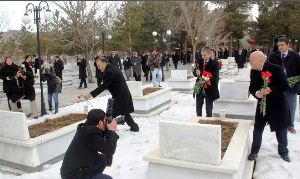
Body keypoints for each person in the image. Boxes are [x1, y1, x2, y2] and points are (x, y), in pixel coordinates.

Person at [248, 51, 290, 162]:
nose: (250, 62)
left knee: (281, 130)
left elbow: (284, 85)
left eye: (252, 60)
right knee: (257, 129)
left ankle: (284, 152)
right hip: (262, 105)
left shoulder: (276, 69)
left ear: (261, 61)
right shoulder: (253, 71)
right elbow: (252, 87)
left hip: (278, 105)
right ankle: (254, 151)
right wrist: (257, 93)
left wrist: (270, 90)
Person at [79, 56, 139, 132]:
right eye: (97, 66)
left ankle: (106, 131)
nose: (98, 68)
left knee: (110, 115)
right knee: (124, 112)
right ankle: (134, 127)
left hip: (120, 96)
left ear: (104, 63)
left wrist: (89, 95)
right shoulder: (110, 68)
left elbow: (104, 86)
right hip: (121, 95)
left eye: (99, 65)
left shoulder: (110, 71)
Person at [61, 109, 118, 179]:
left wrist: (108, 130)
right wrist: (111, 130)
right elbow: (110, 149)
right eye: (105, 120)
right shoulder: (90, 135)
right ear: (100, 122)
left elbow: (104, 144)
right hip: (73, 175)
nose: (106, 122)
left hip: (75, 168)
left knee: (102, 159)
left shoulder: (86, 128)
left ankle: (93, 176)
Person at [268, 37, 300, 134]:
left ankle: (290, 125)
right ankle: (277, 122)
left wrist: (296, 84)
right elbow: (269, 70)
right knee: (277, 105)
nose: (280, 47)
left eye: (282, 45)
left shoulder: (295, 56)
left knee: (291, 106)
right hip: (278, 86)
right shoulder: (273, 56)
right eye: (279, 45)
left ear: (288, 45)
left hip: (291, 87)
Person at [193, 47, 220, 117]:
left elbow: (215, 77)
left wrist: (205, 80)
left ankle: (208, 123)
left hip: (209, 89)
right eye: (202, 55)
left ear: (209, 54)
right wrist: (196, 72)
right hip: (199, 88)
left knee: (209, 109)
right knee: (198, 107)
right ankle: (199, 122)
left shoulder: (214, 63)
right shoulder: (199, 61)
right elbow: (195, 73)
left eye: (204, 55)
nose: (203, 57)